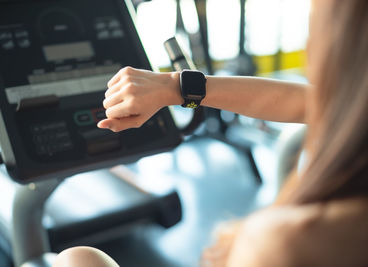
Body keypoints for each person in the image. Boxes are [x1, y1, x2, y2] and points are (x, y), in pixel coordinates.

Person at [53, 0, 368, 266]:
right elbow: (308, 101)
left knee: (78, 258)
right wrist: (174, 86)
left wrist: (240, 249)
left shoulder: (287, 241)